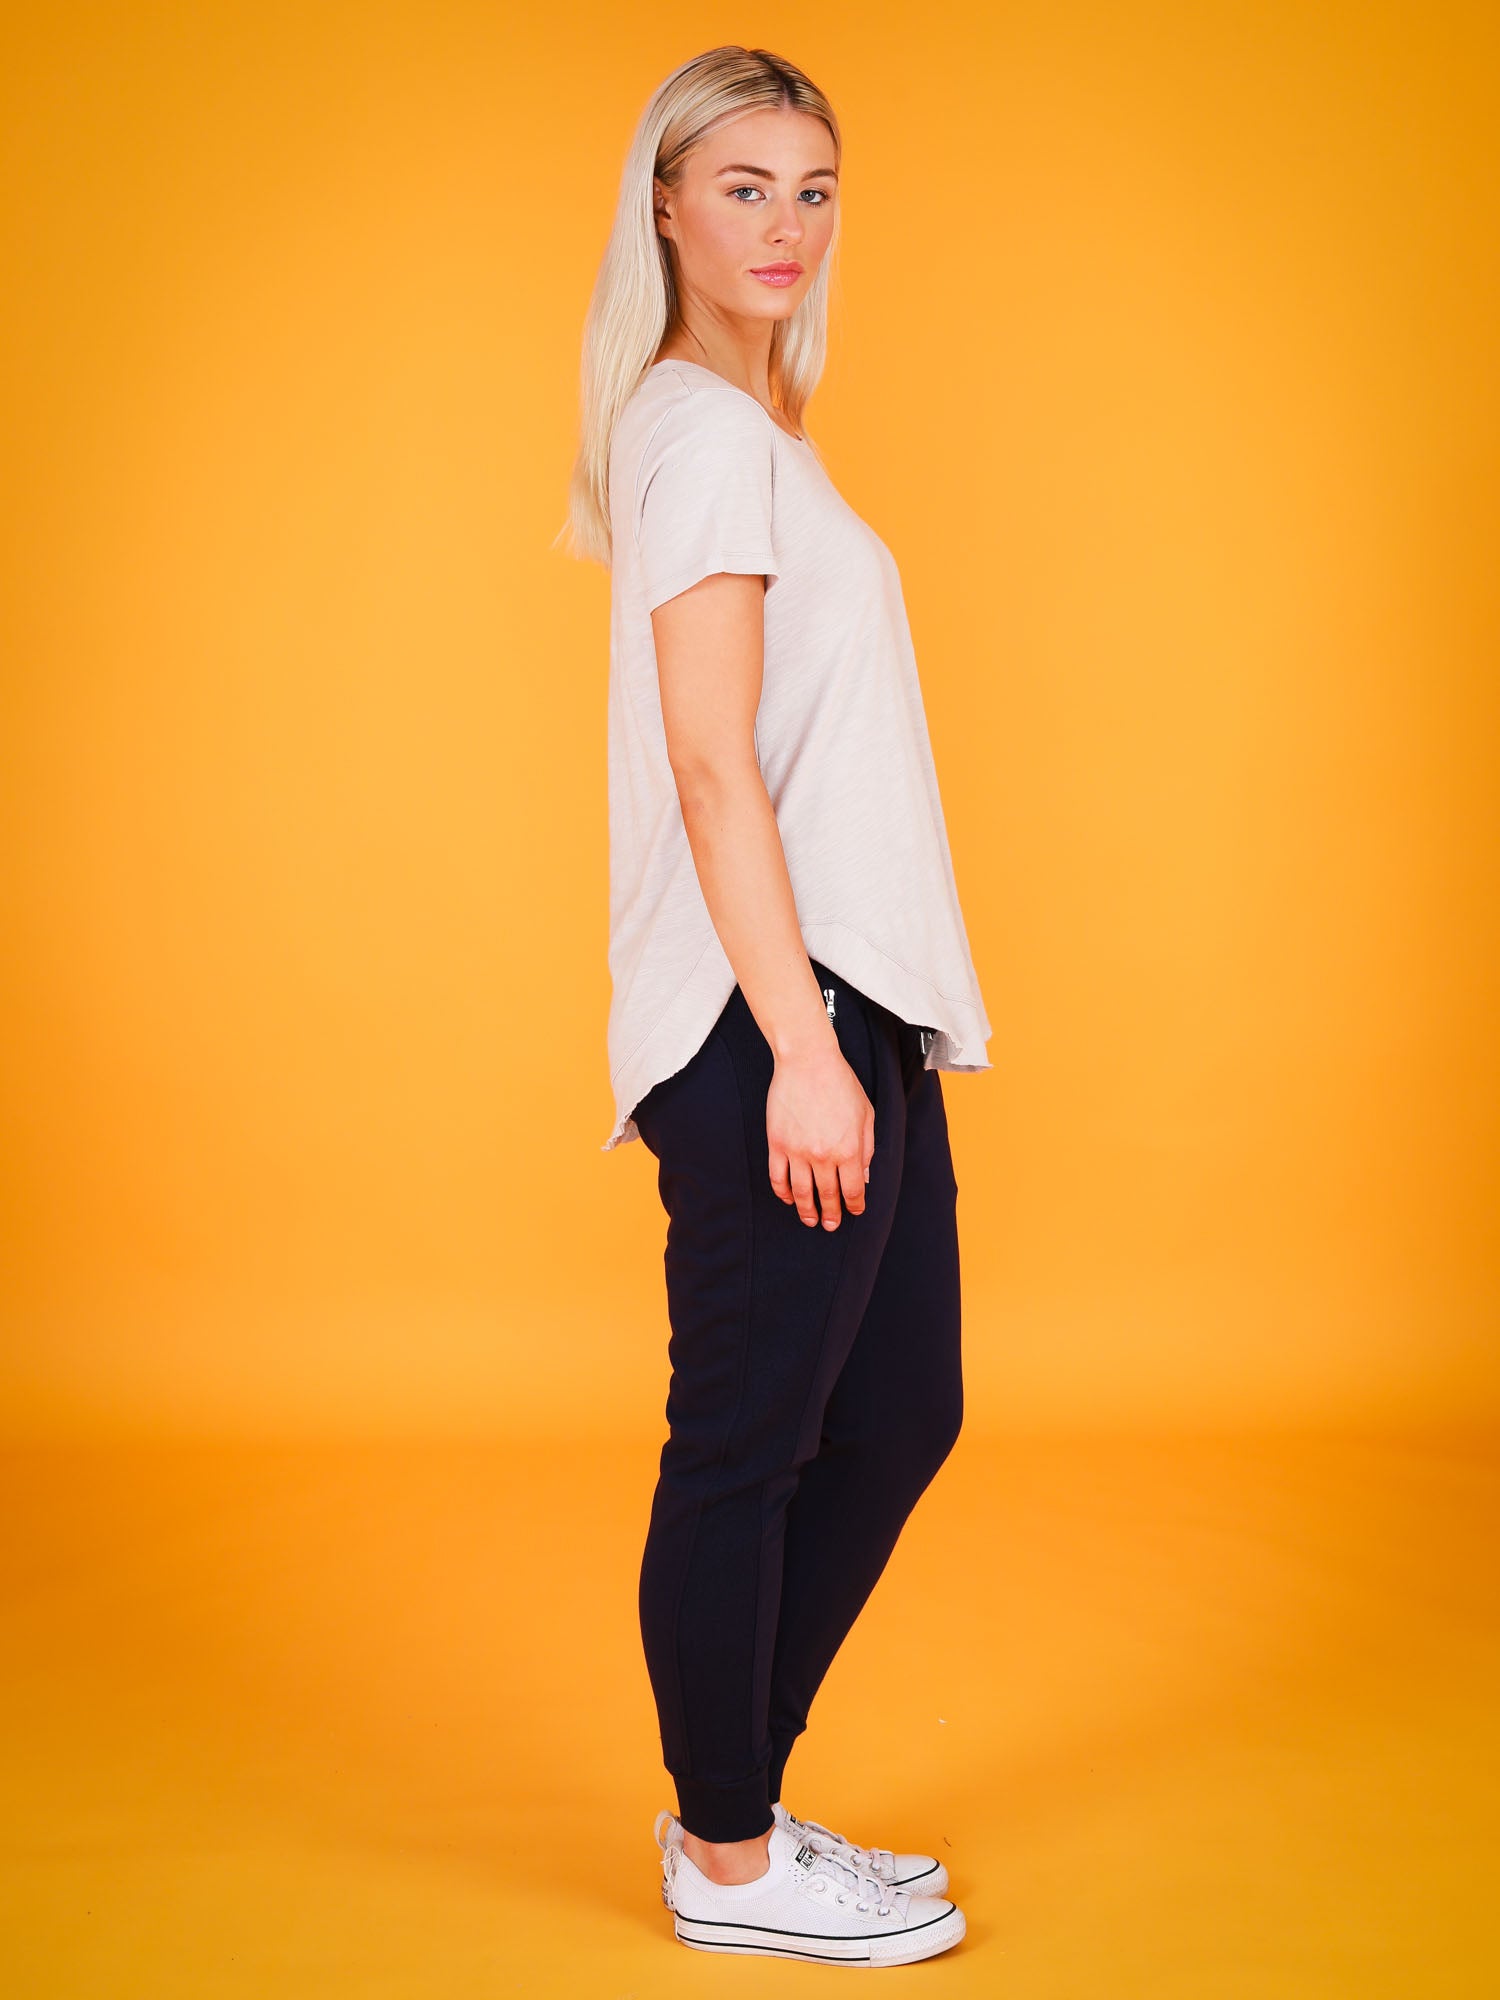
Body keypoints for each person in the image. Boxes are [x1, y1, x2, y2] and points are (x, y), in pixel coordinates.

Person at [562, 44, 992, 1968]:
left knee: (896, 1412)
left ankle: (732, 1799)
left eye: (814, 189)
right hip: (774, 1015)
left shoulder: (757, 433)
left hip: (845, 1003)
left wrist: (854, 1030)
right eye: (744, 186)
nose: (787, 225)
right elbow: (713, 762)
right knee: (745, 1441)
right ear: (664, 205)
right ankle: (729, 1861)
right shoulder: (702, 436)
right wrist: (804, 1051)